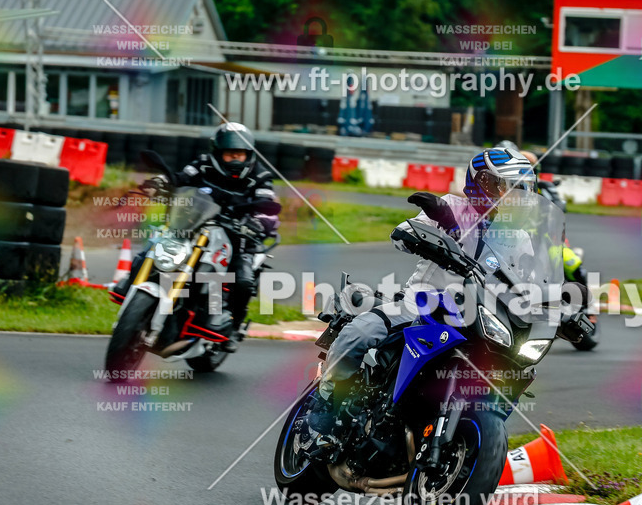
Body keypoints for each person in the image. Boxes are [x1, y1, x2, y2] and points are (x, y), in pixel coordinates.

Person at [306, 147, 541, 434]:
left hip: (477, 319)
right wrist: (433, 231)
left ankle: (474, 431)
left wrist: (561, 302)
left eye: (522, 190)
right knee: (362, 331)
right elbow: (402, 234)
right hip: (423, 305)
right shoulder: (452, 207)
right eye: (509, 188)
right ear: (484, 183)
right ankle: (326, 398)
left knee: (516, 367)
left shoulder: (519, 238)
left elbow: (529, 284)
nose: (516, 198)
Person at [115, 122, 280, 351]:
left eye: (239, 154)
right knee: (154, 248)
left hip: (239, 236)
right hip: (196, 224)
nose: (235, 159)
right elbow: (182, 178)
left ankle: (232, 326)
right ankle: (131, 288)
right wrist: (160, 184)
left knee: (242, 280)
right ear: (218, 153)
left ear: (248, 155)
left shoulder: (260, 176)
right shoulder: (203, 164)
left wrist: (258, 222)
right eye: (229, 153)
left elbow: (268, 205)